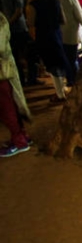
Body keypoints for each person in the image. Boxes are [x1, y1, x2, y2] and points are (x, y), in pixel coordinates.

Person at [27, 0, 70, 103]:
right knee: (59, 61)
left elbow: (30, 24)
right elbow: (63, 20)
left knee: (51, 65)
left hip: (43, 36)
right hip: (56, 34)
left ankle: (60, 94)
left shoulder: (34, 5)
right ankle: (62, 89)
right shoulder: (55, 2)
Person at [0, 12, 32, 157]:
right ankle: (21, 137)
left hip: (3, 71)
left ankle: (19, 140)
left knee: (7, 107)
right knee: (12, 104)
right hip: (5, 68)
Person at [0, 0, 41, 86]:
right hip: (19, 28)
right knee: (31, 54)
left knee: (15, 55)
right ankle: (31, 78)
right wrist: (10, 22)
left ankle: (20, 79)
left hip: (8, 29)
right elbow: (19, 12)